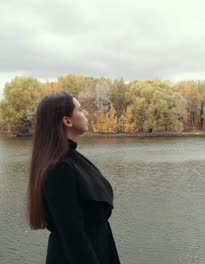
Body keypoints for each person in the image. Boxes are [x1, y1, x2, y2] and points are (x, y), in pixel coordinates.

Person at [27, 92, 121, 264]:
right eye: (80, 109)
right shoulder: (59, 167)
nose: (86, 114)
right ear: (67, 121)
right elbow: (73, 237)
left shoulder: (70, 159)